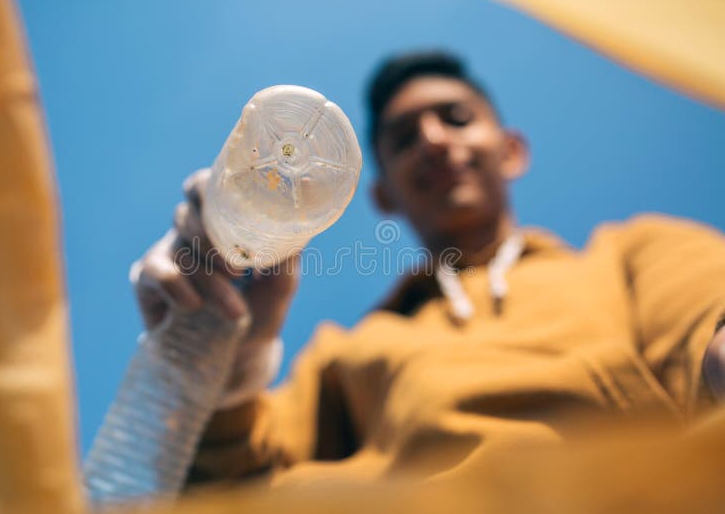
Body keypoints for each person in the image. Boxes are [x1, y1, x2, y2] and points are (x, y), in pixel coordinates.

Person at [130, 51, 725, 487]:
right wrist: (223, 352)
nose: (434, 140)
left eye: (456, 118)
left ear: (511, 150)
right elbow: (228, 485)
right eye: (405, 137)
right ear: (383, 194)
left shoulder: (630, 255)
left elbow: (710, 330)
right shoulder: (348, 353)